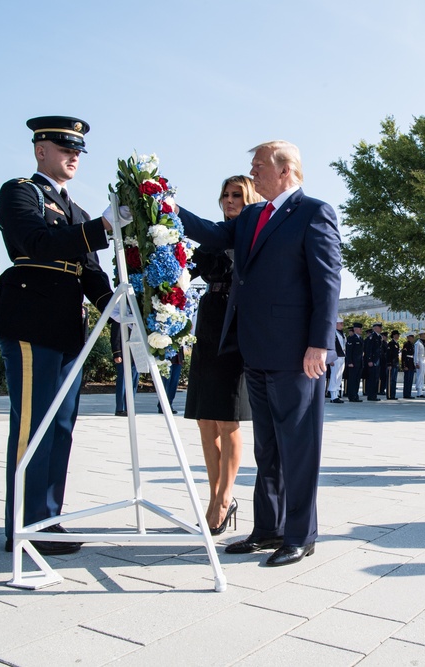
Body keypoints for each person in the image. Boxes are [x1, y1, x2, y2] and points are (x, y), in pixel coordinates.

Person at [179, 140, 342, 566]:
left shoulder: (314, 212)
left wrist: (319, 343)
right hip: (253, 348)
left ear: (286, 169)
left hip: (296, 352)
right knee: (267, 446)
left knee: (298, 445)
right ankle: (267, 529)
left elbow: (327, 283)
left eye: (258, 165)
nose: (251, 173)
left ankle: (301, 535)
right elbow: (213, 234)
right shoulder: (252, 214)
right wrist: (165, 206)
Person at [0, 115, 128, 555]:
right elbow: (37, 243)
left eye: (78, 152)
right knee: (33, 426)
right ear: (39, 150)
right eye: (65, 149)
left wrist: (123, 313)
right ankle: (23, 527)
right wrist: (100, 229)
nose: (73, 158)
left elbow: (90, 273)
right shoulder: (19, 193)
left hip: (66, 327)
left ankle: (46, 519)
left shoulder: (76, 211)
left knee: (61, 425)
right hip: (30, 320)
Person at [182, 175, 260, 535]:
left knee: (228, 419)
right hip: (209, 318)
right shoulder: (214, 235)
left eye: (237, 195)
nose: (229, 200)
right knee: (204, 418)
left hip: (238, 322)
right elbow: (185, 271)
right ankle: (213, 492)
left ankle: (225, 498)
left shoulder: (253, 233)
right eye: (225, 195)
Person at [110, 320, 139, 417]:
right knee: (122, 381)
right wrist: (117, 353)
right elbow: (115, 335)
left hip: (136, 354)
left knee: (134, 382)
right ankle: (120, 408)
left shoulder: (138, 318)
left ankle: (129, 407)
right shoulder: (120, 315)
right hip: (124, 354)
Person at [157, 348, 183, 414]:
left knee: (174, 382)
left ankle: (169, 404)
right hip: (166, 356)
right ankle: (163, 405)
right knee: (165, 382)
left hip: (177, 357)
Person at [328, 317, 346, 403]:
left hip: (341, 356)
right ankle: (333, 396)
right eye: (341, 323)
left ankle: (336, 394)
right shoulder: (332, 333)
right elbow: (329, 346)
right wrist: (329, 359)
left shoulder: (342, 334)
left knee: (339, 377)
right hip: (335, 357)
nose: (342, 325)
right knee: (334, 376)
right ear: (336, 324)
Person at [363, 323, 383, 401]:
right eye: (379, 328)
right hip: (373, 360)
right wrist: (369, 360)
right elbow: (368, 349)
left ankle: (374, 395)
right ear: (375, 328)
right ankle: (371, 395)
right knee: (372, 378)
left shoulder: (379, 337)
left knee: (376, 378)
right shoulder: (372, 337)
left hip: (377, 360)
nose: (381, 329)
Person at [345, 322, 364, 402]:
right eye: (360, 329)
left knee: (357, 380)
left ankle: (355, 395)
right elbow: (349, 352)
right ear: (356, 329)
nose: (361, 330)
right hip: (353, 363)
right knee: (352, 380)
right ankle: (351, 396)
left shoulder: (360, 338)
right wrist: (349, 362)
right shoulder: (351, 339)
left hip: (359, 363)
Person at [386, 330, 401, 399]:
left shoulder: (397, 344)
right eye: (396, 335)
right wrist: (389, 364)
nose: (398, 336)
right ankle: (389, 394)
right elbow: (388, 355)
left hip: (395, 364)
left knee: (394, 380)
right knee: (390, 380)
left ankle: (393, 394)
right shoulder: (391, 344)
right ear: (393, 335)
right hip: (391, 364)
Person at [401, 333, 416, 398]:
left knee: (410, 380)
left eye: (413, 337)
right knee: (407, 380)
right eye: (411, 337)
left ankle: (409, 393)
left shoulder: (412, 345)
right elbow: (404, 356)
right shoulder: (406, 345)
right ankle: (406, 394)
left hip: (411, 364)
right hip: (407, 363)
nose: (412, 338)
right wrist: (404, 366)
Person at [413, 331, 425, 397]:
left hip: (423, 360)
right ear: (421, 335)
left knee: (422, 375)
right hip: (419, 360)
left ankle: (421, 389)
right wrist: (416, 362)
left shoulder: (424, 342)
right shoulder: (417, 343)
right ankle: (419, 391)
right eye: (424, 334)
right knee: (419, 375)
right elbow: (416, 353)